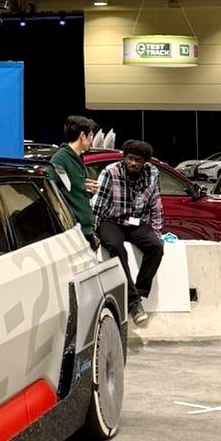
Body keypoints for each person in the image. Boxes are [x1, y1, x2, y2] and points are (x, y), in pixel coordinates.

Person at [92, 139, 165, 325]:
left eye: (138, 160)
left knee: (156, 247)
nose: (133, 163)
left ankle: (138, 292)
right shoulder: (110, 172)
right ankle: (133, 302)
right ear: (124, 157)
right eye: (130, 158)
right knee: (117, 248)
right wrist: (94, 232)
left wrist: (157, 232)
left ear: (145, 162)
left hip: (135, 222)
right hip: (111, 220)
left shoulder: (152, 173)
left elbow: (156, 205)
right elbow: (98, 205)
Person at [48, 115, 99, 249]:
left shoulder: (78, 158)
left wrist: (84, 187)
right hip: (74, 231)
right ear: (82, 135)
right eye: (91, 135)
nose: (92, 139)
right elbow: (51, 190)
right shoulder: (60, 159)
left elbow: (71, 186)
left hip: (86, 229)